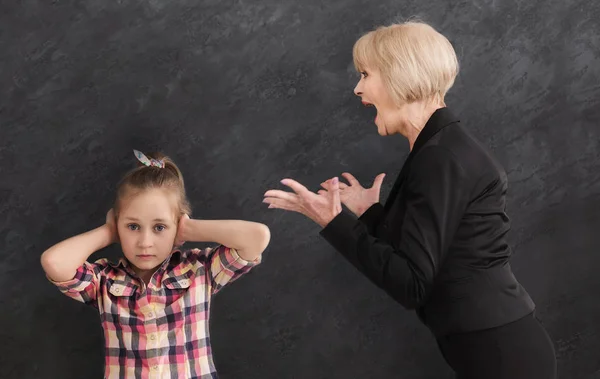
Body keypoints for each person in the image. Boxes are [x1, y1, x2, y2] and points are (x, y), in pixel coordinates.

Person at [263, 20, 557, 379]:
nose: (357, 88)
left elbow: (412, 284)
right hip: (494, 346)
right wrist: (371, 215)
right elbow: (426, 259)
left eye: (365, 74)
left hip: (501, 353)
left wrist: (332, 222)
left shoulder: (441, 157)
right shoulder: (440, 148)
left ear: (399, 75)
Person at [41, 149, 270, 378]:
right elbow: (54, 262)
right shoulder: (104, 280)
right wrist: (107, 232)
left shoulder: (200, 269)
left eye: (159, 227)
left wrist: (189, 229)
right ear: (118, 224)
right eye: (133, 226)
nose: (145, 242)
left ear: (177, 225)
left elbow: (257, 237)